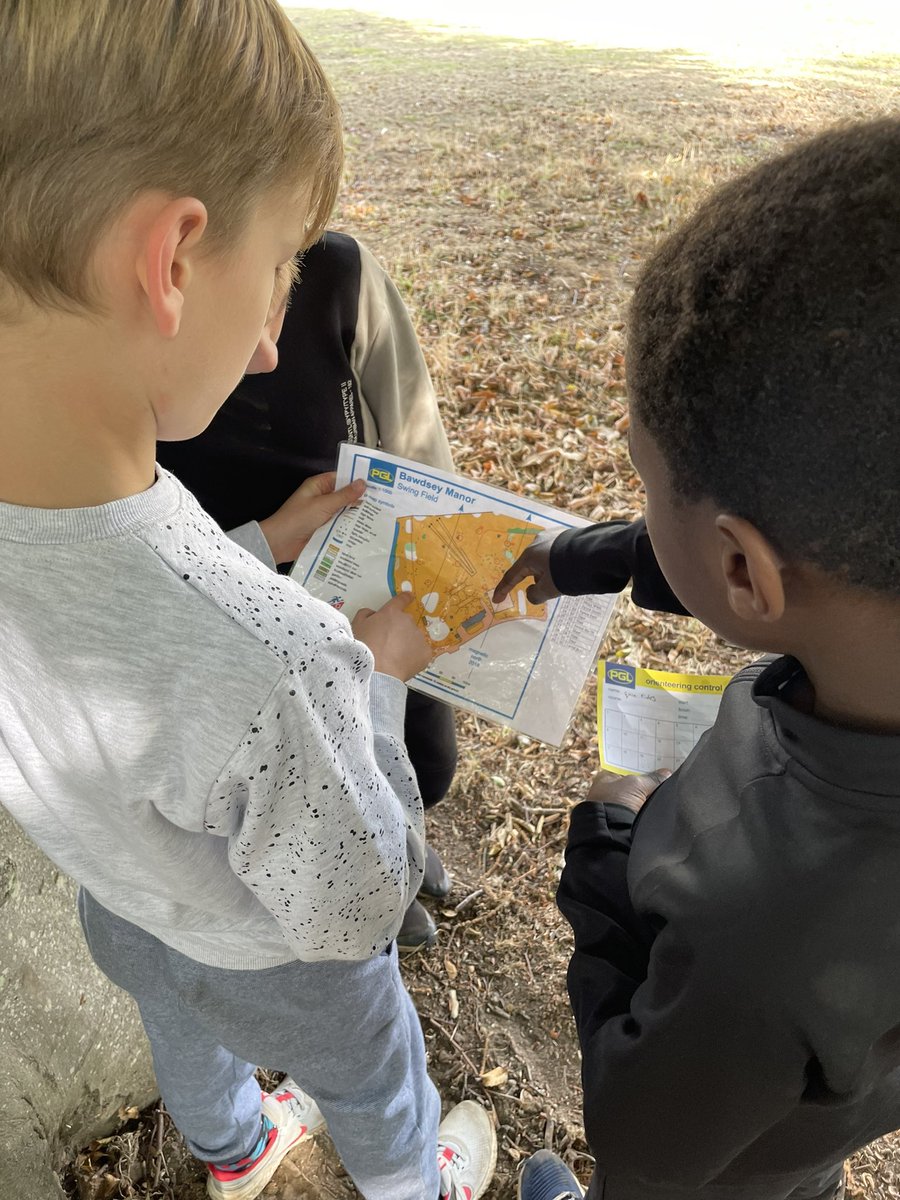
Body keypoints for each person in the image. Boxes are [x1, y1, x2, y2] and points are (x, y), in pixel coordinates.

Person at [0, 5, 496, 1200]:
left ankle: (232, 1150)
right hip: (282, 962)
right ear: (169, 261)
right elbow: (359, 899)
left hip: (121, 904)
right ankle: (408, 1183)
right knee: (378, 1079)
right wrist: (373, 672)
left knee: (180, 1029)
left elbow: (105, 604)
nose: (277, 341)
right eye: (279, 270)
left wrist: (261, 540)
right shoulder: (283, 655)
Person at [502, 118, 900, 1200]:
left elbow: (642, 1141)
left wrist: (605, 847)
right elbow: (726, 562)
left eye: (643, 479)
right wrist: (574, 558)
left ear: (747, 571)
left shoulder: (762, 932)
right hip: (803, 1124)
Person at [159, 229, 458, 951]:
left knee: (424, 753)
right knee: (305, 781)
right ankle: (377, 872)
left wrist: (445, 553)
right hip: (227, 603)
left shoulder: (337, 271)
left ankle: (398, 842)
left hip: (356, 573)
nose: (269, 347)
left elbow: (417, 438)